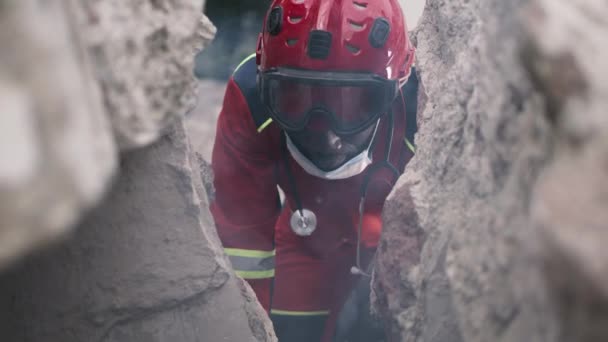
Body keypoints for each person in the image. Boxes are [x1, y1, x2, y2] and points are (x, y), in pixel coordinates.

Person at [210, 0, 418, 341]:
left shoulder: (422, 110)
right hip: (306, 245)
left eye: (351, 106)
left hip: (390, 256)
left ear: (396, 86)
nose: (329, 136)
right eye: (298, 99)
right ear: (266, 84)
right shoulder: (251, 98)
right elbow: (241, 228)